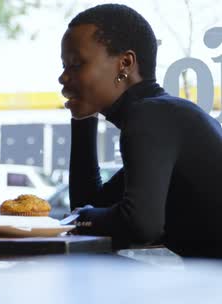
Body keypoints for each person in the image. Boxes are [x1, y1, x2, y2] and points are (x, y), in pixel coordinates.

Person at [59, 4, 222, 258]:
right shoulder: (164, 115)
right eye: (64, 66)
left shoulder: (150, 116)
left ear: (125, 63)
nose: (63, 78)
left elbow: (140, 225)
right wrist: (84, 118)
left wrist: (81, 217)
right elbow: (91, 204)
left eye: (76, 64)